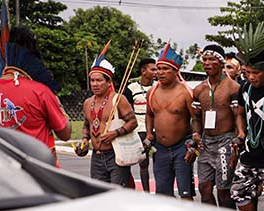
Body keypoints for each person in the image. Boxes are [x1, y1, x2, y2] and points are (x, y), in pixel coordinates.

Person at [0, 25, 70, 162]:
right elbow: (65, 133)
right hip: (38, 171)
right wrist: (59, 105)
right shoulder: (41, 91)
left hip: (1, 169)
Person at [145, 43, 196, 199]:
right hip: (160, 149)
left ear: (176, 71)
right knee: (162, 195)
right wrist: (148, 134)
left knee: (185, 193)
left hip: (182, 147)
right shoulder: (151, 92)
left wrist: (193, 146)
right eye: (158, 69)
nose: (160, 72)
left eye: (165, 69)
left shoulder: (186, 93)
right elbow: (150, 114)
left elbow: (196, 119)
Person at [231, 48, 264, 211]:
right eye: (248, 72)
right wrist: (241, 133)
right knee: (239, 192)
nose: (251, 77)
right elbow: (240, 113)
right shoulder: (244, 88)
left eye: (256, 73)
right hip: (250, 150)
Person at [193, 44, 240, 208]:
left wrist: (239, 137)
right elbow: (196, 118)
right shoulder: (199, 89)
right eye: (204, 59)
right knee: (204, 188)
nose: (206, 63)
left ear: (221, 63)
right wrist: (196, 135)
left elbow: (238, 116)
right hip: (206, 143)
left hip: (225, 143)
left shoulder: (233, 87)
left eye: (211, 59)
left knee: (223, 191)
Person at [78, 55, 137, 187]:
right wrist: (84, 140)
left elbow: (133, 122)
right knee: (100, 195)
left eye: (99, 80)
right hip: (96, 156)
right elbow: (87, 124)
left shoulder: (118, 99)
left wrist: (115, 133)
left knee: (118, 195)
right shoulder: (88, 103)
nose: (94, 84)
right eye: (92, 80)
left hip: (115, 154)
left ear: (109, 82)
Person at [124, 58, 156, 191]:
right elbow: (127, 111)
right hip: (139, 130)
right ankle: (146, 192)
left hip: (158, 130)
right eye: (152, 69)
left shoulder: (159, 86)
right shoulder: (131, 88)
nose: (156, 72)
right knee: (144, 163)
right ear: (143, 71)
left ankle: (161, 192)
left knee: (160, 163)